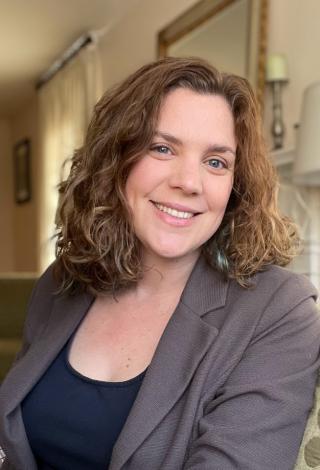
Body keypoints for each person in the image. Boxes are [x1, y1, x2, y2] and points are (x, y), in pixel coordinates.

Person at [0, 57, 319, 470]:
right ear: (116, 161)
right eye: (162, 148)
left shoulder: (279, 311)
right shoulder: (63, 280)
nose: (188, 181)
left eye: (216, 161)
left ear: (235, 186)